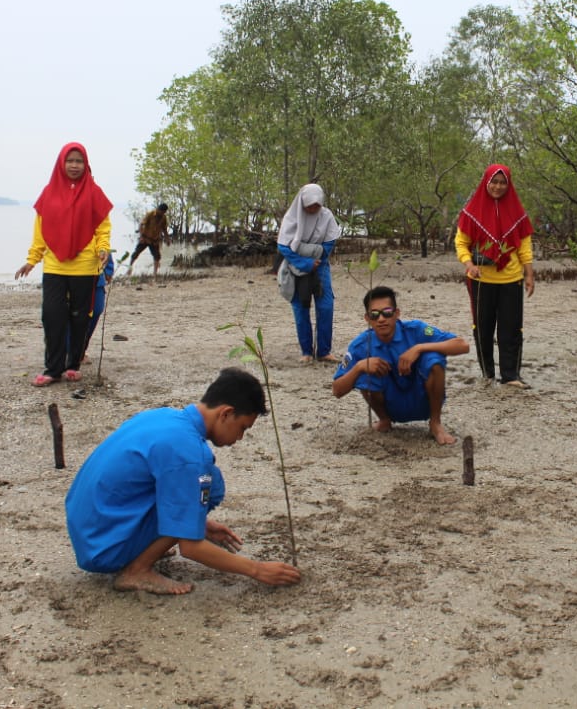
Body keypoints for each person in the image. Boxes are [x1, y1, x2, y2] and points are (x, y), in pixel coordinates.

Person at [64, 367, 302, 595]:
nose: (239, 438)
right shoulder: (189, 453)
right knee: (209, 481)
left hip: (88, 529)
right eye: (242, 428)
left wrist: (200, 522)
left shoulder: (165, 415)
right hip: (103, 547)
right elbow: (191, 548)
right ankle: (136, 570)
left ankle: (145, 547)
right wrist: (257, 569)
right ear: (226, 413)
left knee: (201, 483)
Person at [15, 143, 112, 386]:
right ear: (61, 163)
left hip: (85, 265)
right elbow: (41, 231)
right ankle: (52, 368)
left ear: (86, 164)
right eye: (70, 161)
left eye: (79, 161)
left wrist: (103, 249)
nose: (74, 166)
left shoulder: (94, 192)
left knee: (80, 317)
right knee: (52, 315)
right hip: (55, 266)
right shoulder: (49, 192)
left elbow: (102, 228)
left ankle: (73, 364)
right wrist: (32, 260)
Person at [331, 286, 470, 446]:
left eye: (387, 312)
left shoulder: (416, 330)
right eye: (374, 314)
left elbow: (462, 345)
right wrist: (360, 367)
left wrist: (419, 348)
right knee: (364, 370)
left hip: (422, 400)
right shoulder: (361, 346)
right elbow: (337, 390)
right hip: (390, 405)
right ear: (367, 319)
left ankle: (435, 423)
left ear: (397, 314)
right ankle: (384, 420)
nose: (381, 319)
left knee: (434, 358)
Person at [455, 164, 535, 387]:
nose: (498, 187)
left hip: (511, 279)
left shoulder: (517, 212)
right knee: (483, 329)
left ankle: (510, 375)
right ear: (486, 182)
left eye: (503, 183)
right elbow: (461, 243)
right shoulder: (471, 212)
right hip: (480, 280)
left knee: (511, 329)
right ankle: (487, 373)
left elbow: (525, 247)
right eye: (494, 182)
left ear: (508, 185)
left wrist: (529, 274)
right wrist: (469, 264)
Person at [277, 184, 342, 363]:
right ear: (303, 203)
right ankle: (306, 351)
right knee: (300, 307)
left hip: (320, 266)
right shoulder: (291, 217)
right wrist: (305, 263)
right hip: (295, 267)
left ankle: (324, 351)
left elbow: (329, 243)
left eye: (317, 205)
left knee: (326, 306)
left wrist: (313, 257)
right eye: (310, 205)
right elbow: (283, 246)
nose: (313, 209)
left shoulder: (327, 216)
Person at [126, 203, 169, 276]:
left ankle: (154, 273)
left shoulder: (163, 218)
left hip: (154, 240)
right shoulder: (150, 214)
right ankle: (129, 269)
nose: (161, 213)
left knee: (157, 256)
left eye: (163, 212)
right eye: (161, 212)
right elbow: (141, 224)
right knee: (136, 253)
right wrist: (141, 236)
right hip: (145, 238)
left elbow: (164, 229)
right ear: (158, 209)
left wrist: (167, 238)